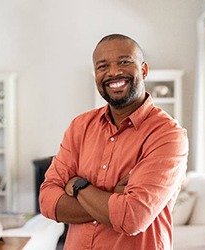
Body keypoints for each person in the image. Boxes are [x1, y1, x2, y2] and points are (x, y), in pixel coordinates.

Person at [39, 34, 189, 250]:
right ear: (96, 75)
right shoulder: (80, 127)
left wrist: (79, 186)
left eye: (124, 62)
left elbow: (132, 217)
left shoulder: (167, 135)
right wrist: (113, 199)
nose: (113, 72)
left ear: (144, 70)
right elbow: (47, 200)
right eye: (102, 66)